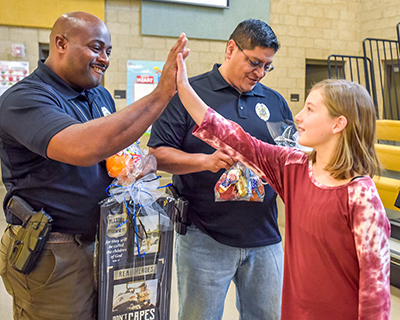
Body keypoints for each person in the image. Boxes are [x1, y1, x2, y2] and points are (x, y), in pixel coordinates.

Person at [175, 50, 391, 319]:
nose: (298, 117)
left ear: (338, 124)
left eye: (310, 110)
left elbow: (375, 290)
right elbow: (236, 138)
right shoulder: (293, 167)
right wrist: (183, 87)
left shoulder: (361, 195)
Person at [0, 11, 188, 320]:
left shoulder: (98, 95)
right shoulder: (25, 98)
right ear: (61, 43)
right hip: (53, 251)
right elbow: (84, 148)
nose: (104, 58)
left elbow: (111, 152)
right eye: (96, 47)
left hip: (104, 242)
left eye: (109, 51)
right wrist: (162, 92)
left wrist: (138, 164)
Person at [148, 19, 292, 320]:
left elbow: (288, 161)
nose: (260, 73)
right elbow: (157, 155)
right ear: (231, 49)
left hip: (265, 238)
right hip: (205, 237)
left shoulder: (275, 102)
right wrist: (204, 161)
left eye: (267, 66)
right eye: (254, 62)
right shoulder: (190, 94)